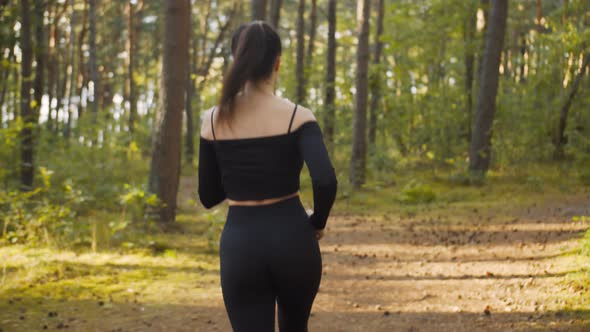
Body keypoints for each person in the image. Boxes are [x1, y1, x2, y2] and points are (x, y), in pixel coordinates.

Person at [197, 21, 338, 332]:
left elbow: (208, 196)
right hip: (293, 239)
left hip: (241, 244)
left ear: (237, 60)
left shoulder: (213, 120)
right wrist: (317, 223)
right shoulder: (298, 116)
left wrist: (241, 177)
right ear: (277, 62)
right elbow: (325, 180)